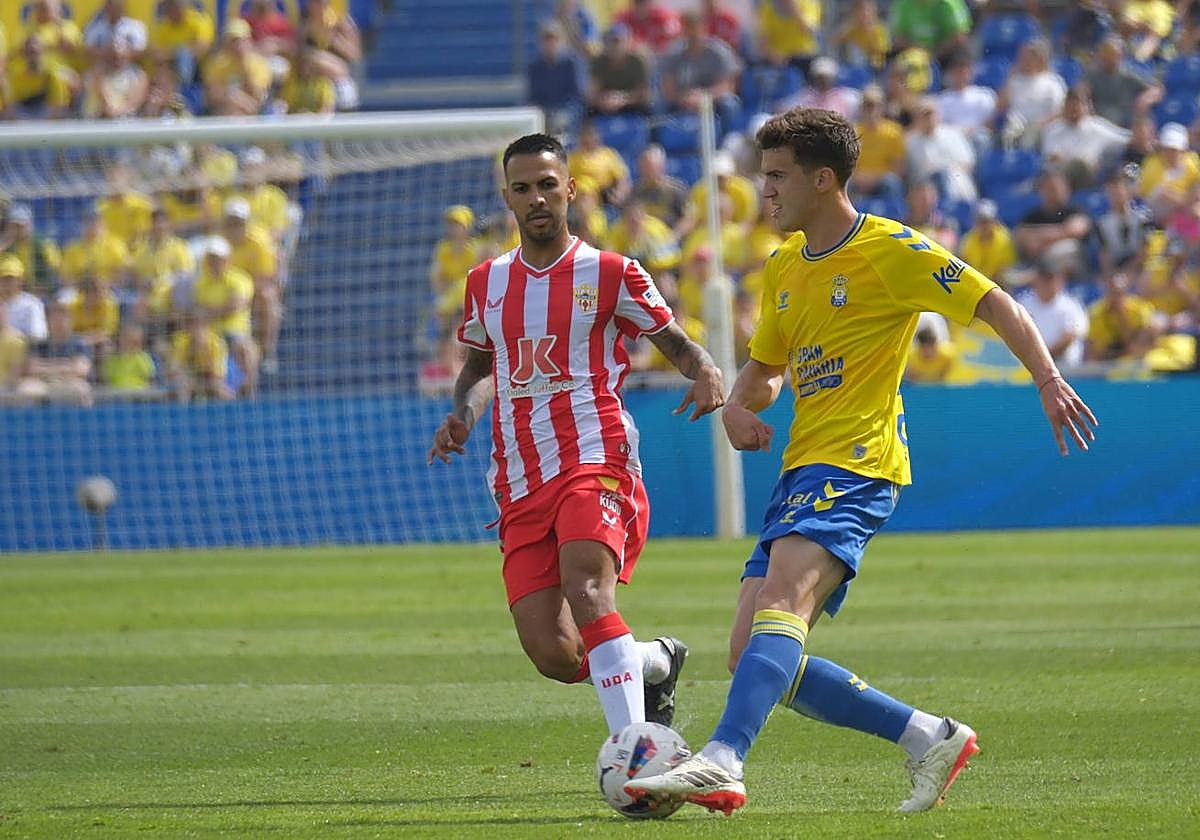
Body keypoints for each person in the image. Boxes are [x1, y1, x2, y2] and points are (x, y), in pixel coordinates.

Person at [627, 107, 1097, 815]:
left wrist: (1048, 378)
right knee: (750, 654)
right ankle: (927, 736)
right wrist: (738, 407)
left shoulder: (890, 249)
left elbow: (993, 301)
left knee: (781, 603)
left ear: (822, 179)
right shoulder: (785, 265)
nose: (765, 191)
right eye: (763, 175)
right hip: (802, 466)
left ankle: (722, 759)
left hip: (859, 462)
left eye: (778, 176)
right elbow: (768, 369)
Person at [427, 133, 725, 737]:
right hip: (520, 476)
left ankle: (636, 751)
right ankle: (654, 662)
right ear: (507, 198)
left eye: (547, 185)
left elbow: (675, 343)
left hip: (596, 454)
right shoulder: (486, 282)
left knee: (588, 589)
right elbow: (481, 368)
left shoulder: (612, 272)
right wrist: (463, 415)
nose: (536, 198)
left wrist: (706, 371)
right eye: (522, 188)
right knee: (556, 653)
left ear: (570, 188)